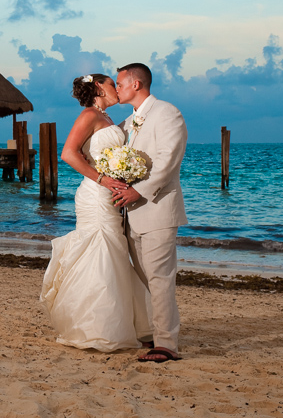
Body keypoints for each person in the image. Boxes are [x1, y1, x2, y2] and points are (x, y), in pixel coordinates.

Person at [40, 73, 152, 352]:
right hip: (95, 195)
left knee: (113, 254)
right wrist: (102, 179)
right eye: (113, 84)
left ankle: (127, 324)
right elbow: (68, 153)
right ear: (99, 87)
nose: (117, 90)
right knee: (102, 253)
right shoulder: (89, 115)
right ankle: (97, 327)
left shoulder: (109, 119)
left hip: (110, 194)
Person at [111, 63, 188, 363]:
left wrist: (138, 191)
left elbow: (167, 161)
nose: (117, 89)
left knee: (160, 277)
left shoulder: (168, 113)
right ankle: (154, 333)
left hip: (157, 209)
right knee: (145, 277)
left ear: (137, 84)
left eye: (120, 83)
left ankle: (167, 344)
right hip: (131, 213)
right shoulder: (128, 123)